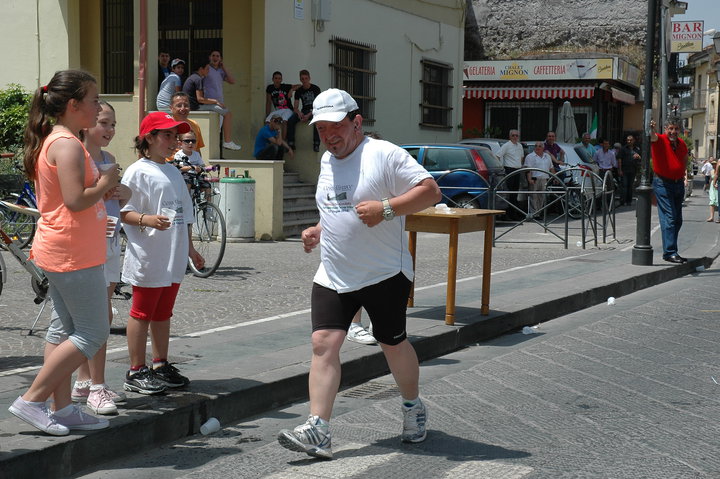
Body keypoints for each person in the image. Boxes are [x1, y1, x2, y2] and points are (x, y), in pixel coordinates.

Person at [277, 88, 441, 459]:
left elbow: (431, 192)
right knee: (323, 343)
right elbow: (336, 207)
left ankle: (413, 406)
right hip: (334, 272)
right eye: (321, 129)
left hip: (384, 272)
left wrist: (386, 208)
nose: (329, 136)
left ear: (356, 122)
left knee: (391, 343)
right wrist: (318, 230)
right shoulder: (327, 160)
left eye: (336, 127)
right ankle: (318, 428)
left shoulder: (383, 154)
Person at [8, 70, 119, 435]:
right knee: (92, 331)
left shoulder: (58, 139)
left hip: (66, 249)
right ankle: (33, 399)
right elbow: (75, 201)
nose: (97, 106)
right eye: (91, 100)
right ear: (73, 105)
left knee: (63, 329)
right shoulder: (68, 144)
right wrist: (106, 181)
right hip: (72, 252)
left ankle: (63, 407)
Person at [120, 112, 205, 395]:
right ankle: (135, 370)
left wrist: (190, 248)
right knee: (142, 312)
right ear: (150, 138)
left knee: (163, 313)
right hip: (149, 254)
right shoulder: (138, 171)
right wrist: (147, 219)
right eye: (167, 135)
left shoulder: (171, 170)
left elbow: (185, 213)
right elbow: (124, 212)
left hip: (173, 254)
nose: (174, 141)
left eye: (175, 136)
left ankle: (160, 364)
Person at [66, 101, 132, 415]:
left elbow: (118, 193)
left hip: (109, 239)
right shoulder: (76, 155)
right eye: (104, 122)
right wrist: (102, 187)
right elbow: (75, 198)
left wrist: (123, 193)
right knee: (97, 316)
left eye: (112, 124)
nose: (109, 129)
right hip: (87, 242)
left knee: (99, 312)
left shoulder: (108, 159)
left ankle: (84, 379)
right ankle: (96, 386)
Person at [650, 117, 688, 264]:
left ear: (679, 130)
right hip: (663, 183)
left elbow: (684, 159)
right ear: (665, 129)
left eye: (676, 129)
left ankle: (671, 250)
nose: (673, 131)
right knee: (670, 217)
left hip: (678, 184)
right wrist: (652, 129)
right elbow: (652, 137)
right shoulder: (659, 139)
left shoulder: (682, 143)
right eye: (670, 128)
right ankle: (670, 252)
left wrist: (683, 175)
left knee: (677, 220)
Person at [182, 61, 241, 151]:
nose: (208, 71)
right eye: (207, 69)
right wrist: (216, 101)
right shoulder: (198, 79)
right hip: (196, 107)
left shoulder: (193, 77)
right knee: (227, 113)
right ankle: (228, 142)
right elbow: (200, 99)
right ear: (201, 69)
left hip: (193, 106)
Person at [173, 130, 211, 199]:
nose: (190, 143)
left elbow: (202, 165)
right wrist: (191, 167)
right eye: (187, 141)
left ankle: (207, 206)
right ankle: (186, 200)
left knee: (207, 185)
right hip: (184, 176)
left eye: (193, 141)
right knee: (188, 181)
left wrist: (207, 168)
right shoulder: (179, 154)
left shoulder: (196, 154)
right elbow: (180, 167)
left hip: (195, 176)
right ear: (180, 143)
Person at [291, 69, 322, 152]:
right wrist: (299, 113)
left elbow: (318, 106)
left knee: (317, 120)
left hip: (314, 110)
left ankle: (316, 143)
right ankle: (291, 143)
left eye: (306, 78)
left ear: (309, 78)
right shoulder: (299, 91)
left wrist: (308, 115)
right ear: (300, 79)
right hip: (304, 111)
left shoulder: (316, 89)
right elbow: (295, 107)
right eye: (302, 79)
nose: (304, 80)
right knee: (291, 120)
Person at [497, 129, 524, 219]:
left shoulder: (519, 146)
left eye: (517, 135)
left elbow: (521, 157)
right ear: (510, 136)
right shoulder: (506, 146)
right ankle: (507, 214)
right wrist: (501, 167)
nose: (515, 137)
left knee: (515, 193)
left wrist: (519, 166)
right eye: (513, 135)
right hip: (509, 170)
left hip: (517, 170)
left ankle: (514, 213)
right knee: (509, 193)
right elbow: (497, 156)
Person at [265, 71, 299, 144]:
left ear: (281, 80)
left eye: (279, 78)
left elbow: (299, 85)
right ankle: (270, 140)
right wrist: (267, 114)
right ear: (273, 79)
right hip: (278, 110)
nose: (277, 80)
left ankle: (283, 141)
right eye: (276, 78)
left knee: (284, 120)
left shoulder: (285, 86)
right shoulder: (270, 88)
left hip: (288, 109)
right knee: (267, 121)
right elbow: (268, 102)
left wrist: (291, 90)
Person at [524, 141, 555, 216]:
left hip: (545, 179)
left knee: (542, 197)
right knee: (533, 197)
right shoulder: (530, 156)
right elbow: (528, 169)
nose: (537, 147)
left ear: (543, 148)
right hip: (535, 179)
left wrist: (554, 178)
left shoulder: (547, 156)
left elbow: (551, 167)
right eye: (536, 146)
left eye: (539, 146)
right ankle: (534, 214)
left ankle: (539, 212)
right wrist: (529, 179)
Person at [616, 135, 641, 206]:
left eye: (631, 140)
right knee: (624, 185)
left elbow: (641, 158)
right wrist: (619, 170)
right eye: (628, 140)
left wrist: (639, 157)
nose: (629, 141)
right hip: (624, 170)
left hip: (633, 170)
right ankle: (622, 201)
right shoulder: (623, 149)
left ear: (634, 141)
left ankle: (629, 201)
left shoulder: (637, 149)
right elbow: (619, 160)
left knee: (630, 186)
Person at [708, 158, 718, 222]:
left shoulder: (718, 170)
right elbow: (710, 179)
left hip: (717, 185)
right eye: (712, 164)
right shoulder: (711, 171)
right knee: (712, 201)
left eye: (715, 164)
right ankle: (711, 217)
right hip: (712, 186)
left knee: (718, 201)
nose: (713, 165)